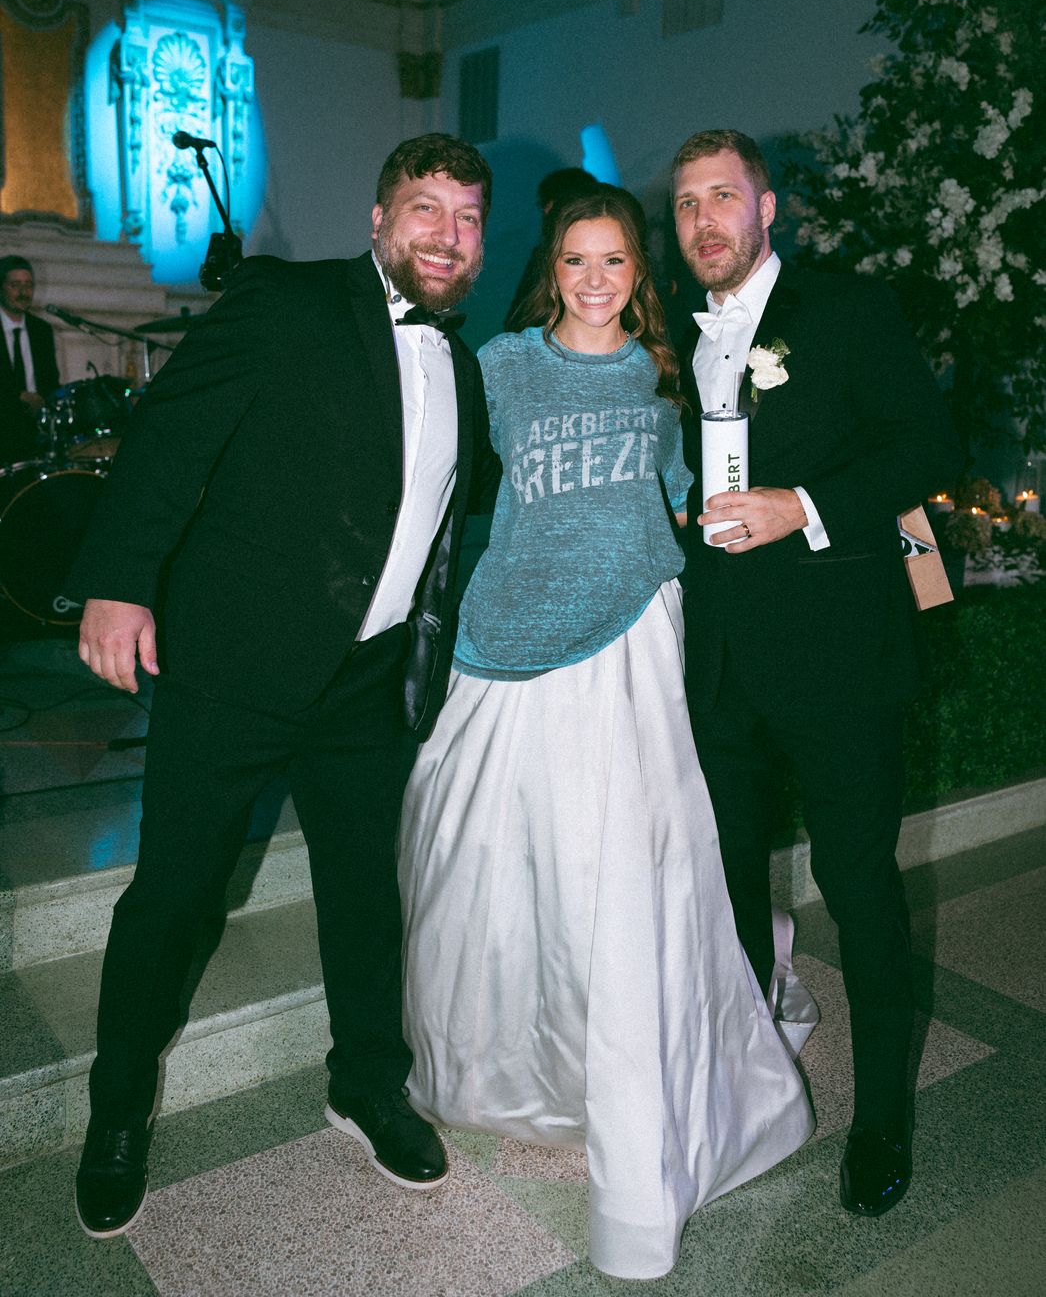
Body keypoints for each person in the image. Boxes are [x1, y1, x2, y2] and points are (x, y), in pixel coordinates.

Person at [66, 134, 500, 1238]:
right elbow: (169, 435)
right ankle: (116, 1110)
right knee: (173, 896)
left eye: (467, 217)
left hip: (367, 680)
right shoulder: (284, 301)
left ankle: (365, 1084)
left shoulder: (461, 366)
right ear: (377, 219)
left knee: (365, 895)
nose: (447, 234)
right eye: (425, 209)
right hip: (236, 665)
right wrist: (118, 583)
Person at [399, 186, 814, 1281]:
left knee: (624, 871)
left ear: (639, 274)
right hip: (509, 638)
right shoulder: (498, 364)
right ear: (552, 268)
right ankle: (516, 1065)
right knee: (495, 863)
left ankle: (635, 1085)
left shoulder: (660, 377)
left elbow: (682, 500)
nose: (594, 278)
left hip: (632, 642)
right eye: (575, 259)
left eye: (614, 260)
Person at [671, 129, 959, 1219]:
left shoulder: (844, 308)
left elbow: (926, 445)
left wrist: (801, 506)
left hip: (839, 660)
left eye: (722, 196)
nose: (704, 219)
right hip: (718, 663)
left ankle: (880, 1116)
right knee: (730, 886)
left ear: (767, 208)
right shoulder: (673, 329)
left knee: (858, 886)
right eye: (686, 202)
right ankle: (752, 1089)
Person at [503, 165, 597, 330]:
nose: (546, 213)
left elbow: (516, 322)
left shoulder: (546, 254)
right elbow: (517, 321)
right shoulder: (543, 255)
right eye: (544, 205)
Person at [0, 255, 60, 465]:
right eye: (15, 285)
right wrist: (20, 397)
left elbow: (50, 381)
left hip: (34, 430)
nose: (23, 292)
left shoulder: (41, 330)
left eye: (28, 285)